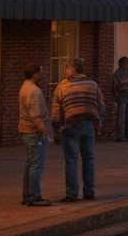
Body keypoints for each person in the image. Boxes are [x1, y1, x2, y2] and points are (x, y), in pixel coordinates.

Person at [51, 57, 104, 202]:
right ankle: (89, 191)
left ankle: (72, 192)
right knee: (89, 159)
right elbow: (100, 105)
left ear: (73, 69)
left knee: (71, 160)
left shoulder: (63, 86)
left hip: (71, 125)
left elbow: (56, 108)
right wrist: (99, 124)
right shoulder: (92, 84)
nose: (66, 71)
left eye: (68, 68)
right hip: (88, 124)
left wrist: (56, 126)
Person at [19, 62, 53, 206]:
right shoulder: (34, 91)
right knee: (36, 165)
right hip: (34, 131)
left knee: (30, 163)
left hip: (26, 130)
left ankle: (27, 194)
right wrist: (44, 130)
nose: (42, 74)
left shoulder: (24, 87)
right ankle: (34, 195)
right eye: (40, 72)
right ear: (35, 74)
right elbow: (36, 114)